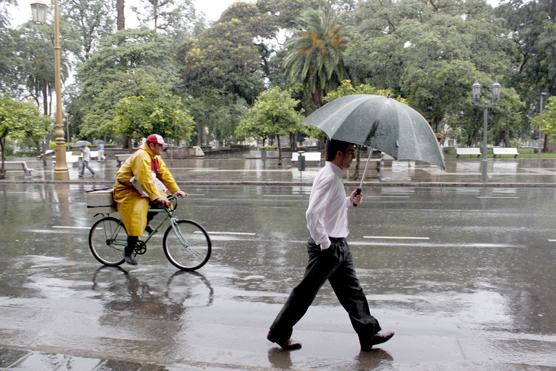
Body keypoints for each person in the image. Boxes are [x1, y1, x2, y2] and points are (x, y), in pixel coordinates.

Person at [267, 139, 394, 351]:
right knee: (305, 293)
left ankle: (368, 334)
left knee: (353, 292)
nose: (353, 156)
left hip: (339, 244)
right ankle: (278, 332)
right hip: (328, 248)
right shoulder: (328, 178)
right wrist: (325, 244)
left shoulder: (334, 176)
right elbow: (312, 214)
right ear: (338, 155)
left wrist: (349, 201)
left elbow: (330, 210)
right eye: (351, 152)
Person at [113, 134, 186, 265]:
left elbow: (165, 174)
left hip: (139, 188)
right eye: (160, 146)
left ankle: (145, 222)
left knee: (164, 201)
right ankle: (128, 252)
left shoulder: (155, 156)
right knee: (137, 215)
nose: (162, 148)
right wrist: (155, 196)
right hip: (127, 191)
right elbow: (145, 179)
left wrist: (176, 190)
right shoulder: (142, 156)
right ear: (152, 145)